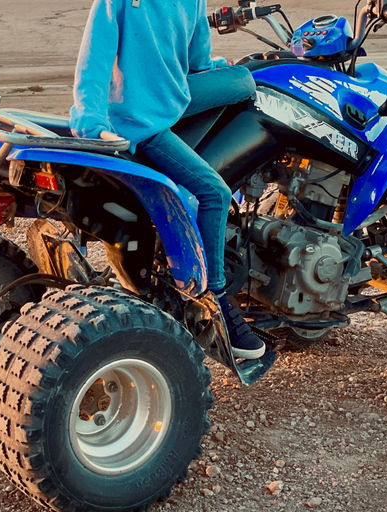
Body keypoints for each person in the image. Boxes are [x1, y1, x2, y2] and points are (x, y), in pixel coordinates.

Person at [70, 0, 265, 359]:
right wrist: (91, 123)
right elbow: (94, 60)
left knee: (245, 79)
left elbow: (198, 63)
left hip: (173, 98)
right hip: (138, 119)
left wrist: (218, 72)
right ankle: (216, 299)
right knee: (214, 192)